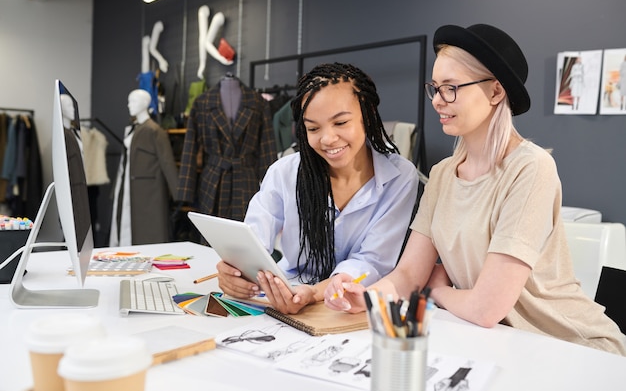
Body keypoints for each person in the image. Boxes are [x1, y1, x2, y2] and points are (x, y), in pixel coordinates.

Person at [325, 24, 626, 356]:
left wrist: (438, 290)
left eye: (451, 88)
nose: (438, 101)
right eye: (435, 88)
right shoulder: (441, 175)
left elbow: (486, 309)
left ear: (496, 92)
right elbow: (411, 273)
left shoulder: (531, 168)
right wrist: (365, 298)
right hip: (502, 344)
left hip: (571, 347)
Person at [217, 62, 419, 314]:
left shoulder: (399, 177)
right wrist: (235, 271)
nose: (327, 139)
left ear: (367, 114)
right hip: (290, 291)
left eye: (341, 122)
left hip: (354, 303)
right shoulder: (283, 172)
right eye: (313, 128)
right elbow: (253, 240)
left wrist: (315, 292)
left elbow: (373, 260)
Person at [109, 89, 178, 246]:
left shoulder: (154, 130)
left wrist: (179, 194)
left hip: (148, 190)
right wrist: (116, 190)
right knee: (126, 223)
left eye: (132, 101)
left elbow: (167, 162)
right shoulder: (133, 128)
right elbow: (123, 162)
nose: (128, 105)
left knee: (147, 230)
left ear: (145, 104)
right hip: (127, 185)